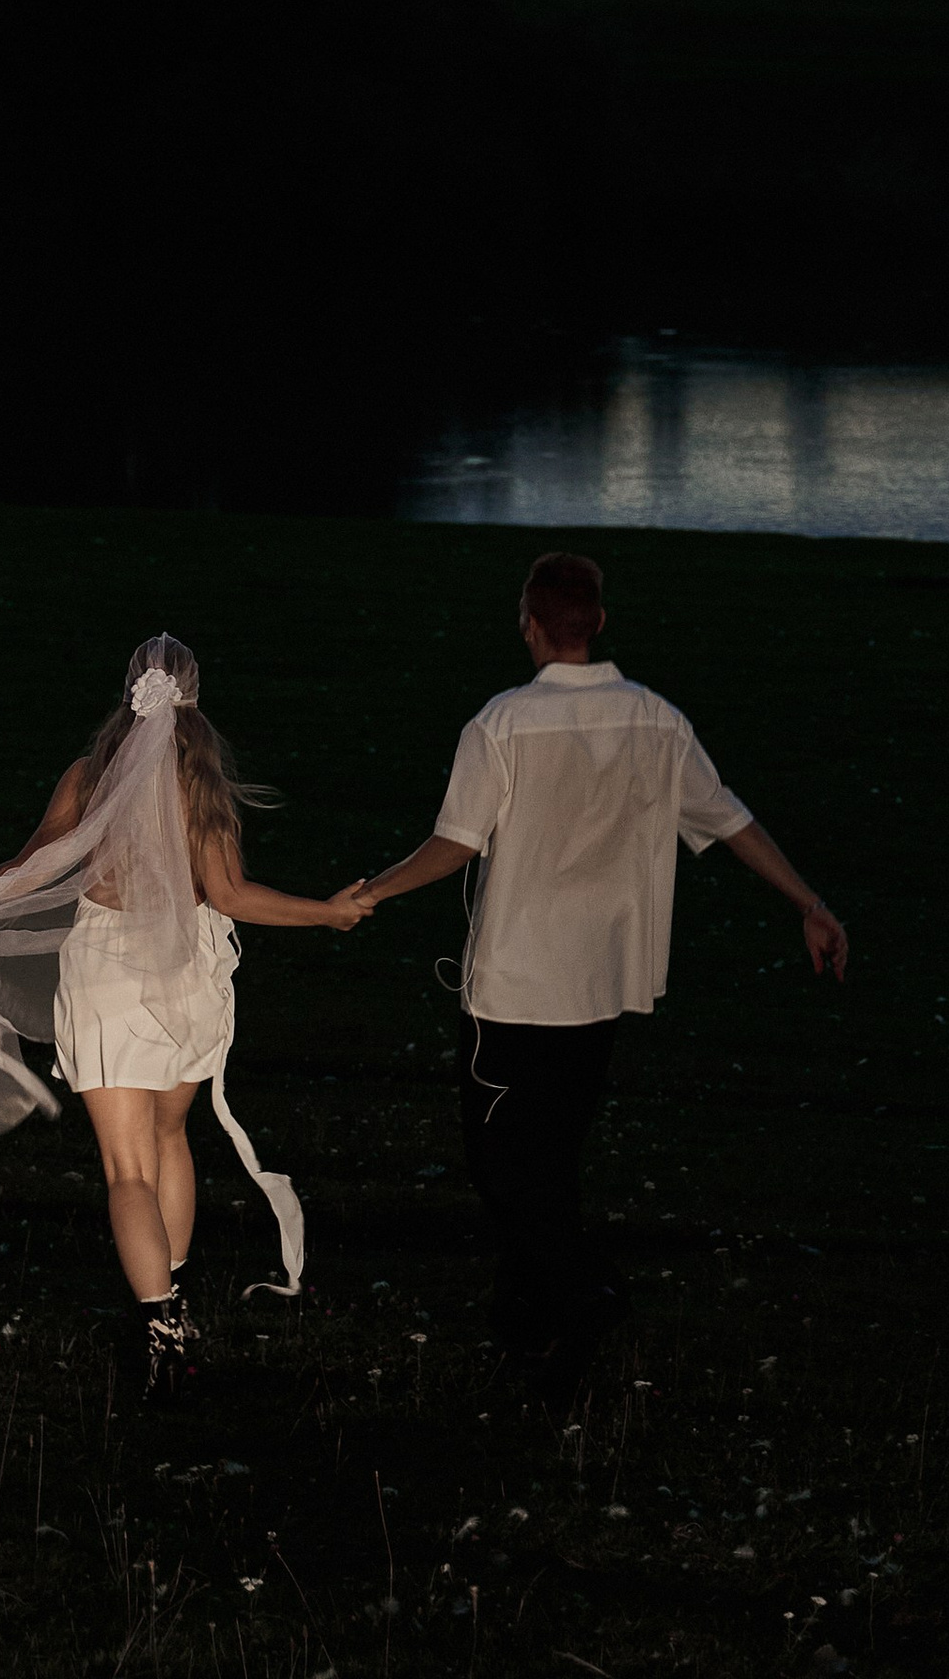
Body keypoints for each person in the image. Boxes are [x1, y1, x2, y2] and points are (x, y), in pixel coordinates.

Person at [358, 551, 847, 1368]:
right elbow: (729, 822)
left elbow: (454, 846)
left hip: (515, 986)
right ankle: (528, 1312)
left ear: (530, 624)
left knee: (503, 1164)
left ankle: (582, 1296)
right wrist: (810, 903)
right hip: (602, 982)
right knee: (550, 1154)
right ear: (598, 624)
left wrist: (366, 894)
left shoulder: (502, 724)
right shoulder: (656, 720)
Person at [0, 634, 370, 1394]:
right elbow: (232, 896)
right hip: (188, 973)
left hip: (105, 971)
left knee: (126, 1167)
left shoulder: (91, 776)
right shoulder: (202, 782)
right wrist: (328, 913)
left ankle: (159, 1322)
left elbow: (27, 868)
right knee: (171, 1138)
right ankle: (175, 1305)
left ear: (128, 693)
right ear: (195, 696)